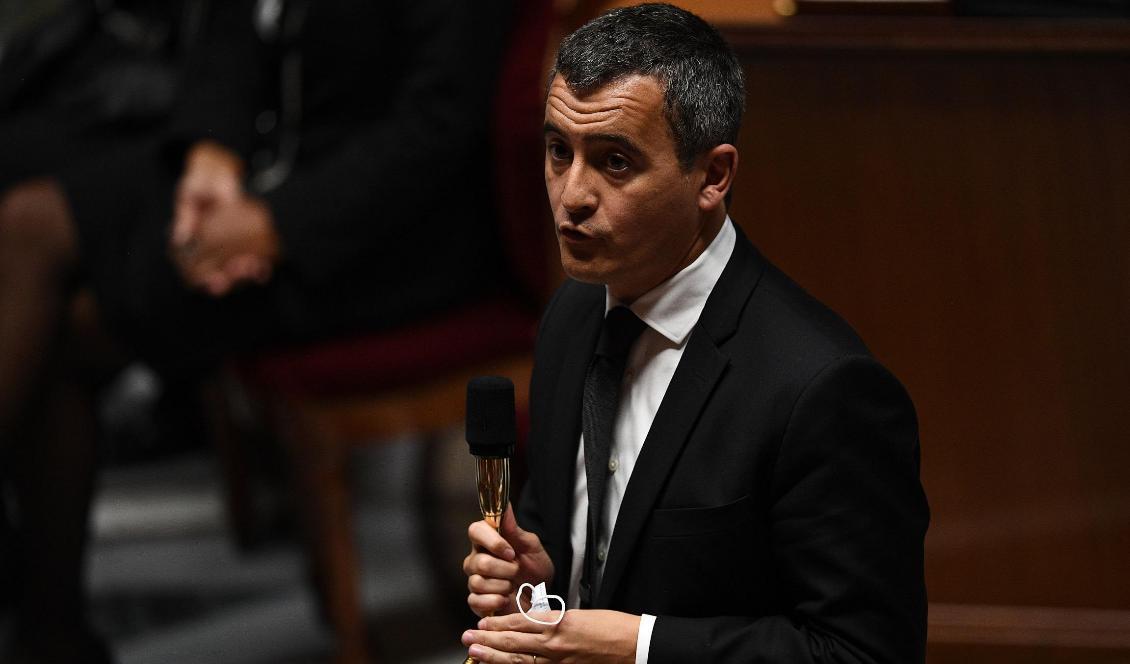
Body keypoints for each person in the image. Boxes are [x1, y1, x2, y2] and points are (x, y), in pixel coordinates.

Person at [0, 1, 514, 661]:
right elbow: (229, 29)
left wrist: (277, 225)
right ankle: (51, 631)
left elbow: (441, 123)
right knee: (24, 222)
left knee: (62, 333)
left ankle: (52, 631)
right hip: (271, 167)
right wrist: (211, 157)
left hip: (392, 234)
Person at [461, 4, 929, 663]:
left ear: (713, 175)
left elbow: (864, 653)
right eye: (559, 151)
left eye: (615, 163)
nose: (571, 196)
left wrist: (642, 645)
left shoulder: (822, 389)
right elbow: (577, 543)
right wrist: (538, 585)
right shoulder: (571, 316)